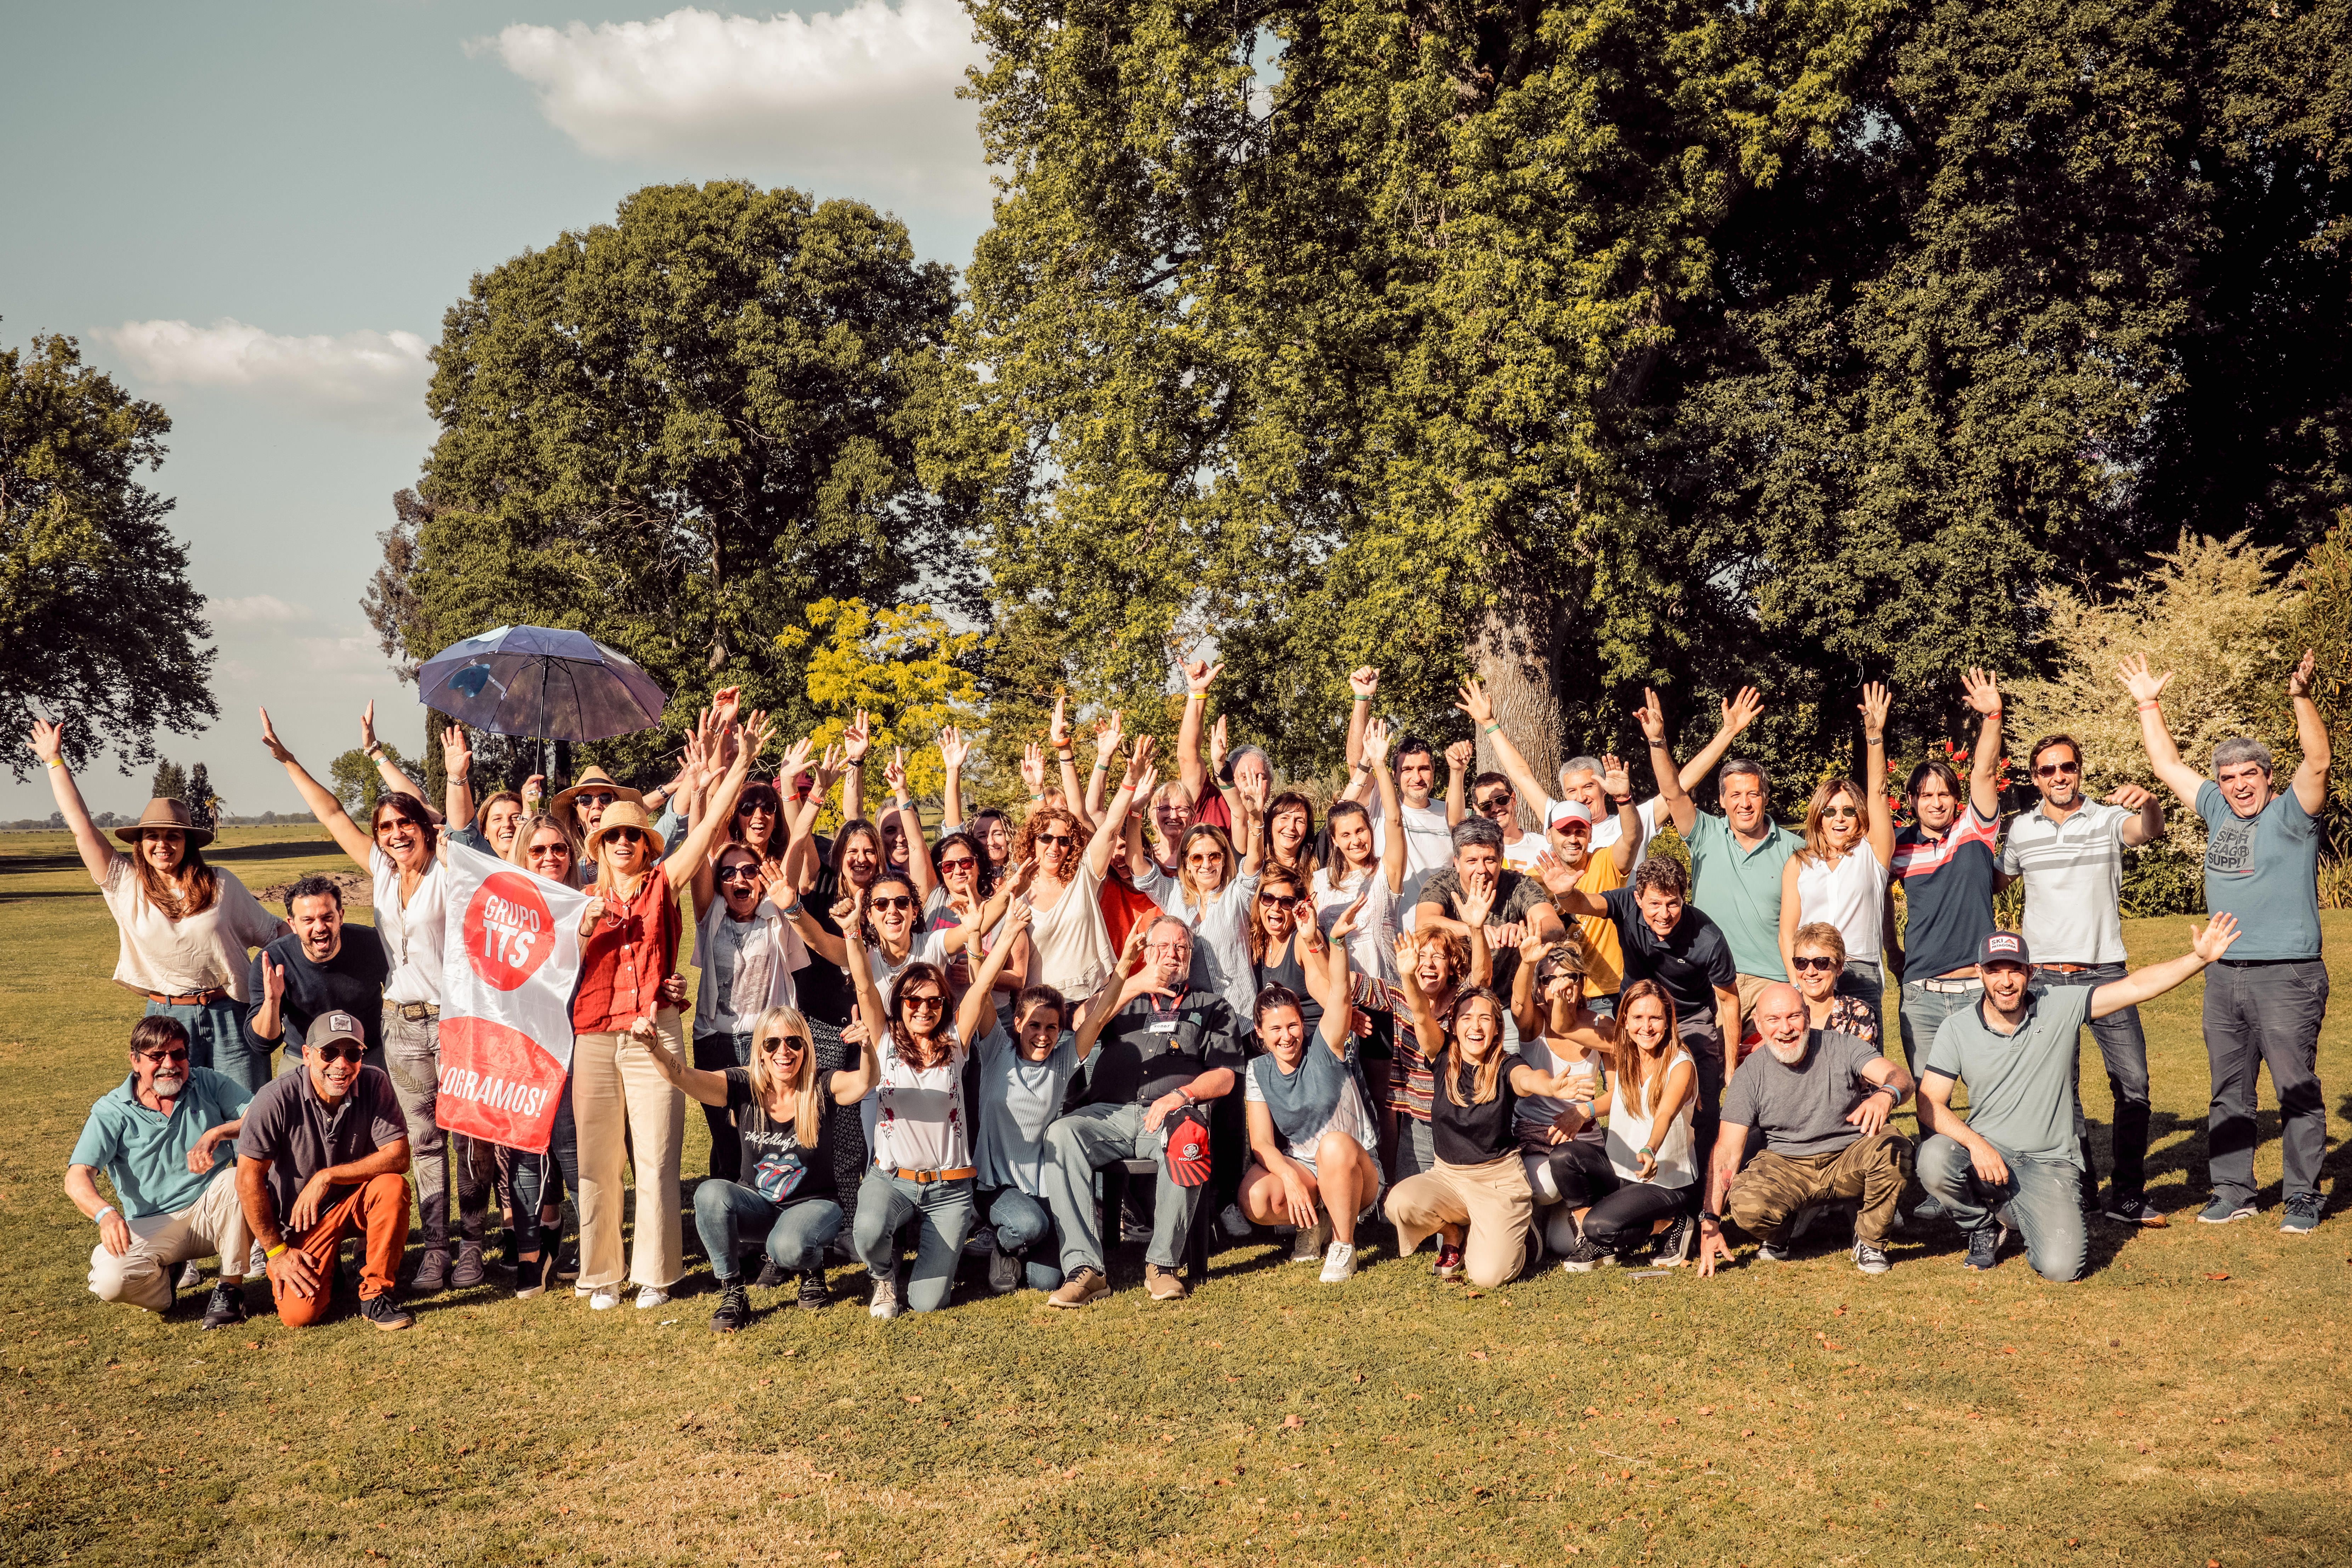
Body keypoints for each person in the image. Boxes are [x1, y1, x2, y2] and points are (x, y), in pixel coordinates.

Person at [260, 704, 481, 1293]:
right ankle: (436, 1250)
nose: (396, 833)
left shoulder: (450, 866)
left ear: (423, 827)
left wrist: (455, 776)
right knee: (426, 1141)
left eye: (406, 823)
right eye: (386, 828)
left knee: (470, 1138)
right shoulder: (382, 874)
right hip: (402, 1028)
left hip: (457, 1021)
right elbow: (332, 811)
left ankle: (474, 1244)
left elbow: (455, 826)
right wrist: (288, 761)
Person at [2121, 649, 2331, 1232]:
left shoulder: (2293, 814)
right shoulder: (2216, 810)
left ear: (2267, 777)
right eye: (2228, 777)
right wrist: (2146, 701)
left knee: (2295, 1087)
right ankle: (2234, 1190)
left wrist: (2299, 697)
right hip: (2223, 974)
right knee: (2229, 1090)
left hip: (2287, 973)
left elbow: (2317, 760)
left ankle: (2301, 1196)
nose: (2238, 786)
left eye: (2249, 775)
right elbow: (2165, 763)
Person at [571, 709, 768, 1311]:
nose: (625, 842)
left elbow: (708, 828)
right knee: (597, 1159)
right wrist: (584, 923)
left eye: (634, 835)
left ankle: (655, 1271)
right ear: (599, 843)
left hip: (655, 1028)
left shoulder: (663, 882)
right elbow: (551, 957)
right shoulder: (578, 899)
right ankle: (600, 1273)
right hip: (596, 1034)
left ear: (646, 843)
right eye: (614, 836)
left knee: (657, 1152)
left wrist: (739, 761)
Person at [1920, 924, 2242, 1278]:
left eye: (2015, 969)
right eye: (1995, 970)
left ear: (2031, 972)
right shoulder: (1957, 1028)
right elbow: (1929, 1102)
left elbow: (2135, 987)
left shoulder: (2060, 1004)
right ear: (1981, 974)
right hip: (1988, 1156)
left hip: (2050, 1163)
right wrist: (1976, 1145)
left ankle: (2015, 1212)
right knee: (1935, 1158)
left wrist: (2197, 958)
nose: (2006, 981)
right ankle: (1981, 1226)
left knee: (2062, 1269)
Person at [33, 720, 287, 1089]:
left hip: (230, 1014)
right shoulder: (125, 884)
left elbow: (274, 932)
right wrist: (54, 762)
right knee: (174, 1114)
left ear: (188, 843)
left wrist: (317, 942)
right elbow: (82, 827)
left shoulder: (221, 883)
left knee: (247, 1116)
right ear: (140, 843)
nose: (162, 844)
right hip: (167, 1018)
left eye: (173, 836)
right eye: (153, 836)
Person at [1996, 730, 2168, 1226]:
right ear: (2034, 778)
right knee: (2059, 1090)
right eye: (2047, 770)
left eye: (2066, 767)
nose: (2058, 777)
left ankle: (2128, 1195)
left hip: (2105, 974)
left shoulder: (2109, 818)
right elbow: (1991, 879)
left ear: (2078, 769)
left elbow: (2148, 832)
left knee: (2132, 1083)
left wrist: (2151, 802)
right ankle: (2082, 1191)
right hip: (2045, 980)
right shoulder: (2022, 831)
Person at [1044, 916, 1245, 1306]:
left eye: (1181, 948)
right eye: (1163, 947)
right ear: (1147, 953)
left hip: (1171, 1116)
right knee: (1062, 1134)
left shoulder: (1212, 1006)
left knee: (1191, 1135)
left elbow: (1225, 1076)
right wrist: (1133, 983)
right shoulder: (1124, 996)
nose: (1172, 954)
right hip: (1108, 1113)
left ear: (1191, 956)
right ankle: (1085, 1270)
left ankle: (1163, 1266)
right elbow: (1083, 1021)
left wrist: (1182, 1096)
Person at [641, 1004, 862, 1328]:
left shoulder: (821, 1085)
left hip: (815, 1206)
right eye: (772, 1044)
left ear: (806, 1047)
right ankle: (733, 1291)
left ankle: (811, 1268)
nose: (783, 1052)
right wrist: (654, 1047)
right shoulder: (744, 1085)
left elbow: (865, 1081)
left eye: (794, 1042)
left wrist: (868, 1050)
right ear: (759, 1051)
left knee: (786, 1248)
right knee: (709, 1193)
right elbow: (683, 1077)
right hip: (759, 1205)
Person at [1384, 948, 1587, 1288]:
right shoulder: (1443, 1056)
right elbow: (1421, 1015)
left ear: (1496, 1029)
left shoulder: (1507, 1065)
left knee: (1488, 1276)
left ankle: (1527, 1239)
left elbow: (1527, 1081)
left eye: (1485, 1019)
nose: (1475, 1026)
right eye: (1466, 1017)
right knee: (1399, 1204)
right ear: (1454, 1025)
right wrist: (1408, 975)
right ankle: (1454, 1230)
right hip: (1448, 1177)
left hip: (1497, 1182)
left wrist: (1550, 1085)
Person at [1693, 983, 1916, 1277]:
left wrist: (1885, 1094)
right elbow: (1727, 1151)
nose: (1785, 1029)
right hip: (1787, 1163)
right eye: (1773, 1020)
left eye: (1793, 1017)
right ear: (1759, 1024)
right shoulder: (1749, 1074)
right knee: (1745, 1204)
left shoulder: (1842, 1045)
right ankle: (1780, 1233)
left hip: (1848, 1155)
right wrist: (1710, 1222)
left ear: (1808, 1016)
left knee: (1894, 1148)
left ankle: (1870, 1242)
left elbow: (1901, 1077)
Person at [1542, 852, 1740, 1160]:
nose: (1665, 914)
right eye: (1655, 904)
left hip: (1688, 1017)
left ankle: (1702, 1179)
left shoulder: (1708, 938)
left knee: (1704, 1099)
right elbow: (1582, 903)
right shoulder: (1624, 904)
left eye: (1673, 903)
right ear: (1638, 898)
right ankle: (1630, 1160)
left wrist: (1729, 1070)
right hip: (1634, 1015)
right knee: (1632, 1088)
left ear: (1684, 898)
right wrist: (1565, 893)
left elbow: (1729, 1001)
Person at [233, 1010, 415, 1330]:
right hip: (301, 1219)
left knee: (391, 1187)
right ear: (307, 1055)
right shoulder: (275, 1097)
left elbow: (399, 1157)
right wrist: (276, 1252)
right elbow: (248, 1179)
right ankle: (330, 1270)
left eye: (352, 1053)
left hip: (354, 1202)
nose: (341, 1065)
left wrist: (328, 1176)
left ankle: (376, 1295)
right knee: (298, 1316)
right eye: (329, 1053)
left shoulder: (375, 1082)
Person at [68, 1017, 255, 1329]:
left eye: (178, 1054)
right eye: (157, 1056)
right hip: (152, 1223)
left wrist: (217, 1133)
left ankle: (230, 1288)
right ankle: (165, 1285)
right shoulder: (112, 1110)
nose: (170, 1064)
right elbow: (77, 1177)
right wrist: (107, 1215)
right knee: (110, 1281)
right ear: (136, 1061)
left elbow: (261, 1118)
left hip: (213, 1210)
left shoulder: (207, 1082)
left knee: (237, 1179)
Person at [1237, 910, 1383, 1282]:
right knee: (1255, 1197)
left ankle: (1343, 1244)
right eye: (1275, 1029)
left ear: (1304, 1024)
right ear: (1260, 1032)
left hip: (1356, 1168)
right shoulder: (1258, 1070)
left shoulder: (1328, 1046)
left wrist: (1332, 943)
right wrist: (1287, 1176)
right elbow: (1262, 1144)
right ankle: (1314, 1223)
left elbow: (1340, 995)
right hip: (1306, 1168)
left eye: (1292, 1026)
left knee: (1333, 1145)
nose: (1286, 1036)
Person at [841, 917, 971, 1319]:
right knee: (866, 1231)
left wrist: (989, 933)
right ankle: (883, 1274)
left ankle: (934, 1262)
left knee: (927, 1304)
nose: (924, 1009)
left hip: (950, 1188)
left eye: (934, 1001)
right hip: (891, 1179)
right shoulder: (883, 1039)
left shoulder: (955, 1042)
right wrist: (851, 932)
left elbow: (981, 988)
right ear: (899, 1003)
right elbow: (865, 986)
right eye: (914, 1001)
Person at [963, 902, 1092, 1294]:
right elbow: (980, 989)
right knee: (1029, 1226)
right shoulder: (996, 1049)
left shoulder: (1064, 1058)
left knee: (1044, 1281)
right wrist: (981, 936)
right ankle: (1004, 1240)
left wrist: (1126, 975)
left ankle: (1023, 1238)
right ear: (1017, 1023)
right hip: (996, 1184)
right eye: (1034, 1025)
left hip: (1042, 1186)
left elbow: (1100, 1017)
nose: (1042, 1035)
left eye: (1051, 1027)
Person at [1643, 690, 1798, 1013]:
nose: (1745, 803)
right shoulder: (1705, 833)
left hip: (1770, 982)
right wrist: (1658, 742)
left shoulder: (1796, 850)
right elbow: (1673, 792)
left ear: (1765, 798)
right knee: (1706, 1062)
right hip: (1708, 977)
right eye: (1736, 795)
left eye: (1753, 794)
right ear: (1722, 801)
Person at [1890, 669, 2008, 1074]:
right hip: (1921, 993)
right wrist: (1892, 950)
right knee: (1928, 1099)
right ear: (1911, 800)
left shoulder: (1974, 830)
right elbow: (1872, 892)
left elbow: (1985, 772)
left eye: (1944, 794)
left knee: (1993, 1094)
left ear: (1957, 798)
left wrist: (1992, 719)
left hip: (1980, 986)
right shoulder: (1898, 845)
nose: (1936, 803)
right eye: (1926, 795)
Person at [689, 837, 813, 1191]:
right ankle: (729, 1222)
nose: (739, 878)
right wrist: (698, 793)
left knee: (762, 1138)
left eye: (749, 870)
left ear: (762, 878)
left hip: (768, 1044)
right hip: (714, 1042)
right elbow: (700, 847)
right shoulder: (709, 913)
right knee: (725, 1141)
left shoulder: (777, 912)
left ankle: (763, 1219)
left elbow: (795, 849)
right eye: (728, 872)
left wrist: (814, 795)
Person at [1559, 981, 1704, 1267]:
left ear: (1668, 1021)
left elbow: (1665, 1113)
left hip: (1666, 1181)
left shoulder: (1681, 1064)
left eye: (1655, 1018)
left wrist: (1650, 1149)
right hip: (1624, 1170)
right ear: (1624, 1020)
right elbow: (1616, 1098)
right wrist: (1584, 1111)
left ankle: (1670, 1223)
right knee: (1565, 1158)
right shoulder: (1626, 1053)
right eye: (1638, 1018)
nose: (1646, 1027)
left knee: (1598, 1226)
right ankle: (1597, 1239)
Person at [1779, 684, 1896, 1005]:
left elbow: (1879, 792)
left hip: (1860, 971)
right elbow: (1787, 931)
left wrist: (1875, 737)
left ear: (1860, 816)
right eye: (1830, 811)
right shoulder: (1799, 864)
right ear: (1818, 817)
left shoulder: (1872, 854)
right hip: (1811, 973)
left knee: (1863, 1056)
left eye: (1848, 810)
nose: (1839, 818)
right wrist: (1798, 981)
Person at [1009, 742, 1153, 999]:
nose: (1055, 846)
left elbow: (1110, 827)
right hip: (1041, 1010)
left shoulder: (1084, 877)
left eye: (1064, 841)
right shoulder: (1019, 890)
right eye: (1046, 839)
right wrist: (1036, 790)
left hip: (1092, 1001)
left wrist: (1131, 779)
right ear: (1033, 841)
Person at [1339, 669, 1456, 924]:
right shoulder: (1379, 804)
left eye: (1424, 769)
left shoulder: (1449, 813)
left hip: (1438, 935)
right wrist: (1362, 700)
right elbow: (1356, 763)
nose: (1417, 777)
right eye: (1408, 770)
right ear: (1393, 775)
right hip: (1388, 930)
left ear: (1434, 773)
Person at [1137, 800, 1265, 1030]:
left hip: (1241, 1019)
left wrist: (1256, 819)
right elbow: (1137, 864)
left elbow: (1255, 862)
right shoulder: (1172, 893)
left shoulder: (1237, 894)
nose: (1206, 865)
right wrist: (1134, 811)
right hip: (1192, 1021)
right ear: (1186, 863)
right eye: (1197, 858)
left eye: (1214, 856)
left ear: (1225, 858)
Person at [243, 876, 391, 1071]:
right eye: (308, 920)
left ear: (341, 917)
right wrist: (272, 1001)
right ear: (293, 924)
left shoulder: (371, 944)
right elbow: (262, 1043)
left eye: (327, 918)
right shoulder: (273, 961)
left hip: (366, 1052)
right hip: (306, 1056)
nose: (320, 928)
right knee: (290, 1097)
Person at [1413, 817, 1564, 1002]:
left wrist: (1524, 931)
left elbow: (1555, 926)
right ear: (1457, 863)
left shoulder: (1519, 884)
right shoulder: (1441, 883)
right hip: (1452, 999)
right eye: (1472, 861)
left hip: (1507, 1001)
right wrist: (1474, 929)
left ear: (1501, 860)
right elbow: (1424, 923)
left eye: (1489, 860)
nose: (1481, 869)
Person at [1387, 924, 1485, 1181]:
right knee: (1411, 1207)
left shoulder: (1465, 1000)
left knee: (1463, 1209)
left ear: (1451, 966)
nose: (1428, 964)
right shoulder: (1399, 994)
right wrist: (1327, 942)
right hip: (1418, 1126)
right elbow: (1340, 987)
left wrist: (1476, 928)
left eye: (1438, 957)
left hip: (1462, 1122)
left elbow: (1482, 979)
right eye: (1421, 956)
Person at [1786, 923, 1883, 1044]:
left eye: (1821, 963)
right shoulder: (1783, 1012)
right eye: (1802, 963)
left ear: (1839, 967)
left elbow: (1860, 1061)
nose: (1810, 972)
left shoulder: (1859, 1014)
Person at [552, 765, 641, 844]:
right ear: (577, 817)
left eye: (606, 798)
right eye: (586, 800)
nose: (596, 805)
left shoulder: (637, 852)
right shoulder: (566, 860)